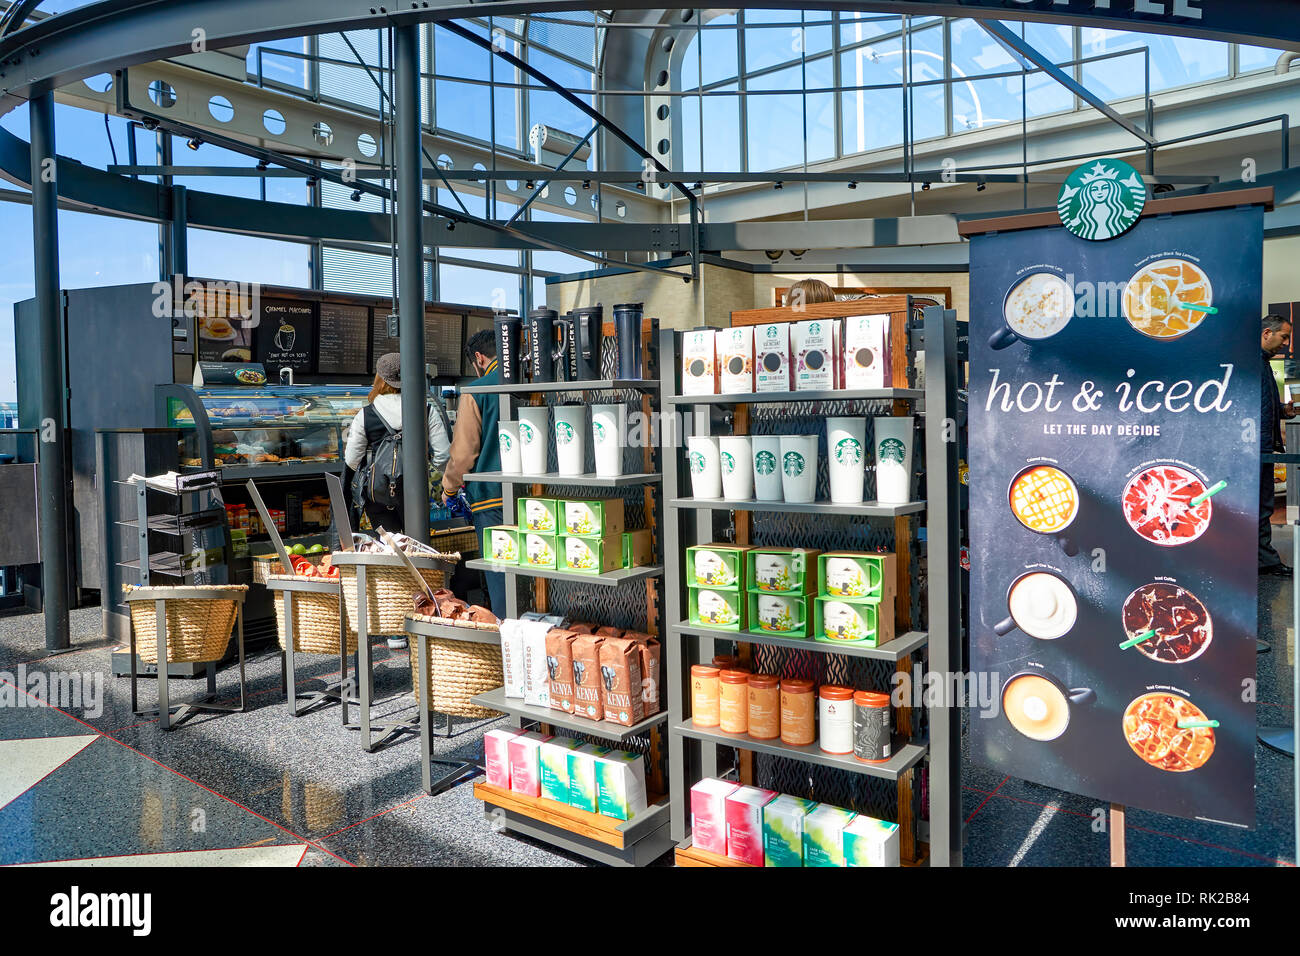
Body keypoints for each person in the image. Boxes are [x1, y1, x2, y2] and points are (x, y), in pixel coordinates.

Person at [344, 351, 450, 536]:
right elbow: (443, 454)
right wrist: (437, 480)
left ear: (381, 379)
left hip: (378, 493)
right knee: (418, 545)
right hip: (416, 494)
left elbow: (352, 459)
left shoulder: (366, 414)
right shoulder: (427, 410)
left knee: (390, 547)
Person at [442, 329, 506, 618]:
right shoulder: (532, 382)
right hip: (534, 496)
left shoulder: (477, 392)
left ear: (479, 358)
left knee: (501, 578)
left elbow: (464, 455)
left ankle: (508, 648)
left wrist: (449, 489)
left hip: (492, 502)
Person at [1260, 314, 1295, 576]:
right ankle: (1265, 562)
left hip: (1261, 447)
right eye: (1283, 337)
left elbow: (1264, 406)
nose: (1286, 343)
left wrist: (1284, 411)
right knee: (1261, 505)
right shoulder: (1252, 364)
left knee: (1263, 505)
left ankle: (1263, 559)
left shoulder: (1263, 365)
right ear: (1266, 333)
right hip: (1256, 449)